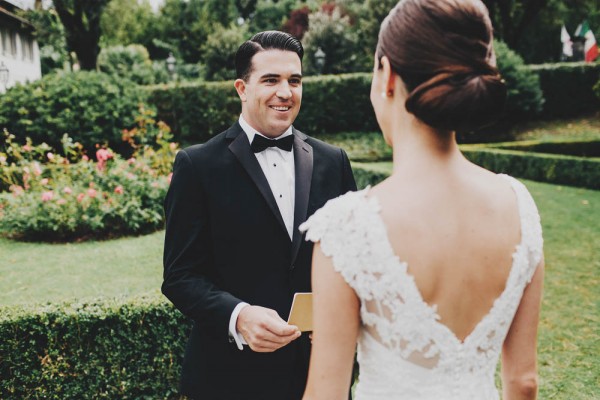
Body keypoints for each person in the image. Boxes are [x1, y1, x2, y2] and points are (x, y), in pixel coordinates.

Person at [300, 1, 544, 399]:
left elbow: (326, 392)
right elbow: (523, 382)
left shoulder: (347, 227)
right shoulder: (518, 205)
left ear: (387, 75)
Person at [162, 30, 356, 400]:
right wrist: (238, 316)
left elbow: (354, 260)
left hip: (320, 373)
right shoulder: (197, 165)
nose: (286, 91)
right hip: (230, 378)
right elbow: (180, 276)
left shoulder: (334, 161)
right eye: (271, 80)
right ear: (242, 88)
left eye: (294, 81)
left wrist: (343, 314)